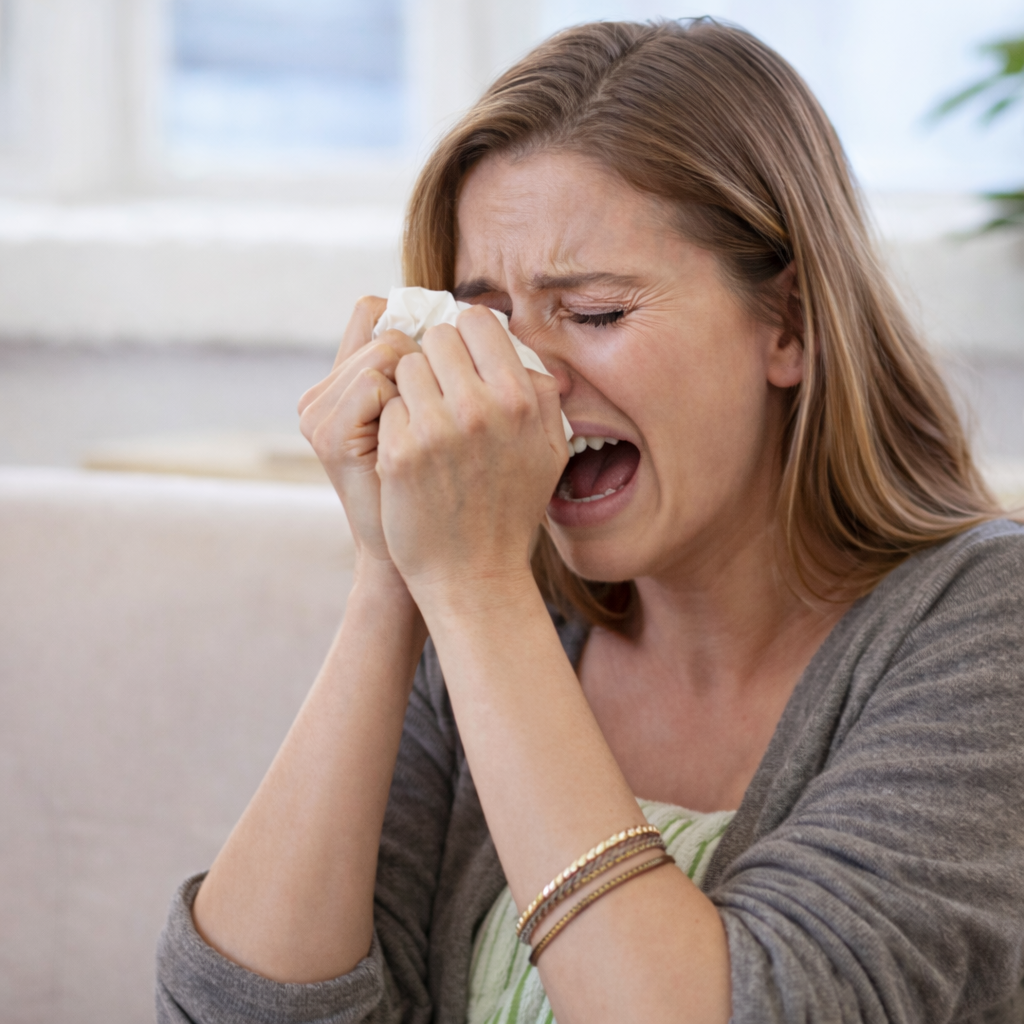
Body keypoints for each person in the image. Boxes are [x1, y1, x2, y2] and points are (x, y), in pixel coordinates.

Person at [156, 18, 1024, 1024]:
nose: (521, 384)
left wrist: (478, 594)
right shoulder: (486, 617)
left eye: (597, 312)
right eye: (485, 322)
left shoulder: (986, 626)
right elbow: (236, 1013)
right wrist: (392, 573)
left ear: (787, 324)